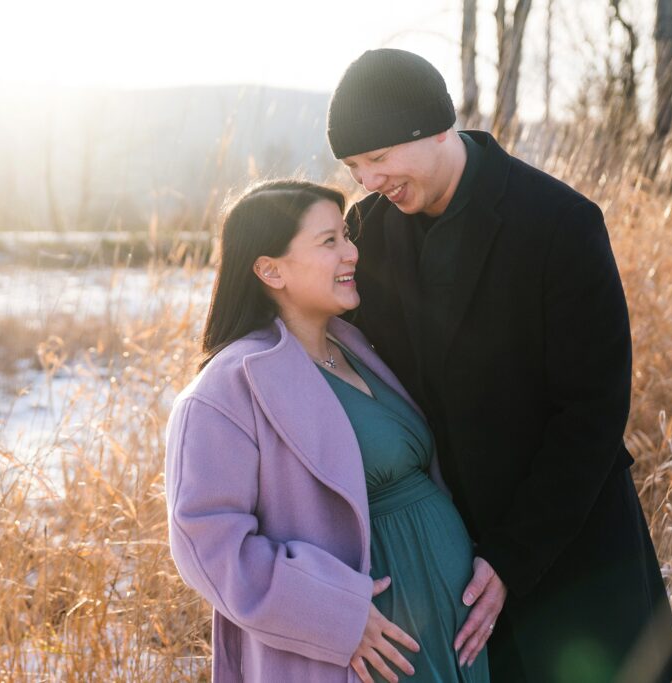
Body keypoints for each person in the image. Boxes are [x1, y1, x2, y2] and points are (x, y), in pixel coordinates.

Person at [326, 49, 672, 682]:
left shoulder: (560, 224)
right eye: (354, 166)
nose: (368, 181)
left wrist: (513, 557)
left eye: (378, 158)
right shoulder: (368, 231)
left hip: (567, 550)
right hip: (446, 569)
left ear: (437, 128)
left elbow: (592, 412)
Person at [165, 179, 491, 682]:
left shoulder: (358, 347)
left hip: (447, 633)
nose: (352, 252)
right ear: (270, 269)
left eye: (346, 236)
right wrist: (339, 616)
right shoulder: (226, 390)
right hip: (352, 651)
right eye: (329, 241)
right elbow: (207, 545)